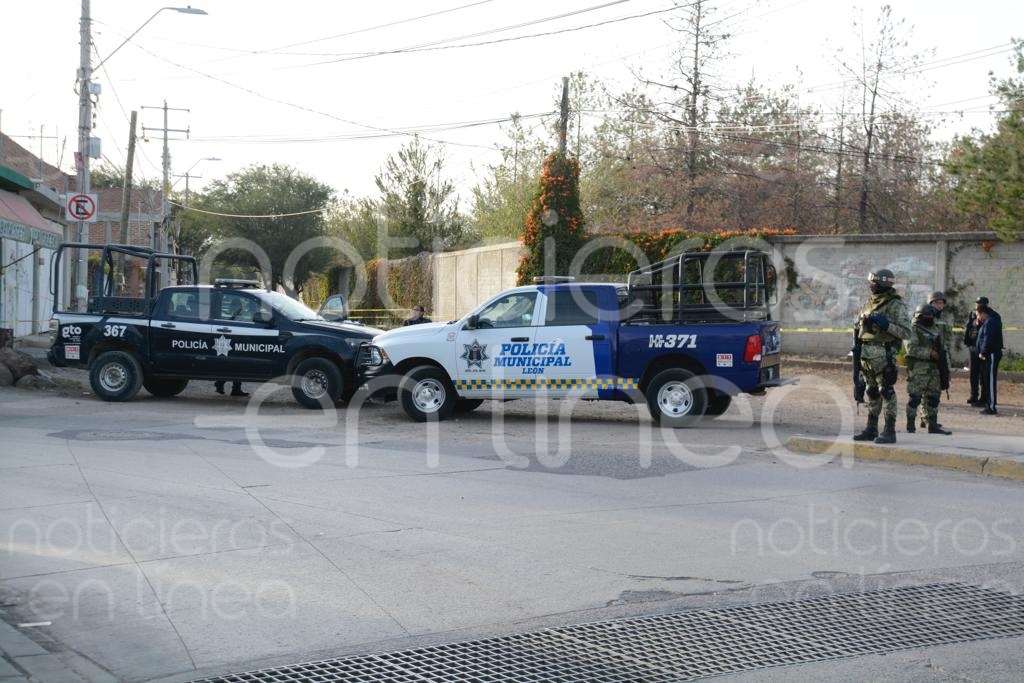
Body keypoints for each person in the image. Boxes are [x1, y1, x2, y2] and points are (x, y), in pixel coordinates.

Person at [852, 269, 912, 444]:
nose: (871, 286)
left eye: (873, 283)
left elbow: (907, 332)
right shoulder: (869, 302)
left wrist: (886, 325)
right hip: (866, 354)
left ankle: (889, 430)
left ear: (882, 284)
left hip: (883, 354)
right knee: (871, 391)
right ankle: (871, 428)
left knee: (886, 391)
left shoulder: (896, 305)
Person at [904, 304, 951, 435]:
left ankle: (933, 425)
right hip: (919, 370)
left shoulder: (936, 329)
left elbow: (944, 350)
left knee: (934, 399)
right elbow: (911, 349)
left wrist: (946, 369)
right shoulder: (913, 329)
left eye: (931, 315)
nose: (930, 318)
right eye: (927, 315)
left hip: (935, 370)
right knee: (915, 399)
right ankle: (910, 425)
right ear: (919, 316)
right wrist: (929, 353)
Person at [918, 291, 952, 428]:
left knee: (936, 391)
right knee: (923, 390)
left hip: (941, 358)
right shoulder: (924, 318)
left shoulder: (944, 321)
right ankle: (924, 416)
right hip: (926, 358)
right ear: (930, 303)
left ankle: (931, 418)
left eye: (941, 303)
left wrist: (948, 365)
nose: (939, 305)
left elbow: (947, 343)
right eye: (936, 302)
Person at [976, 305, 1003, 415]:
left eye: (978, 314)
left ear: (983, 313)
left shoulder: (991, 322)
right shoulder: (989, 321)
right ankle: (989, 404)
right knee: (987, 381)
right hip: (989, 354)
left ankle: (991, 407)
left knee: (990, 381)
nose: (978, 317)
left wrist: (983, 352)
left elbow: (988, 338)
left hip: (991, 354)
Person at [963, 296, 989, 406]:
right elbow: (969, 327)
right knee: (973, 373)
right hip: (973, 347)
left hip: (983, 349)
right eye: (977, 303)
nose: (977, 305)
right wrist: (967, 341)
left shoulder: (988, 314)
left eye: (980, 304)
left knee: (983, 374)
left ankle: (984, 397)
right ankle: (974, 395)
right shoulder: (973, 314)